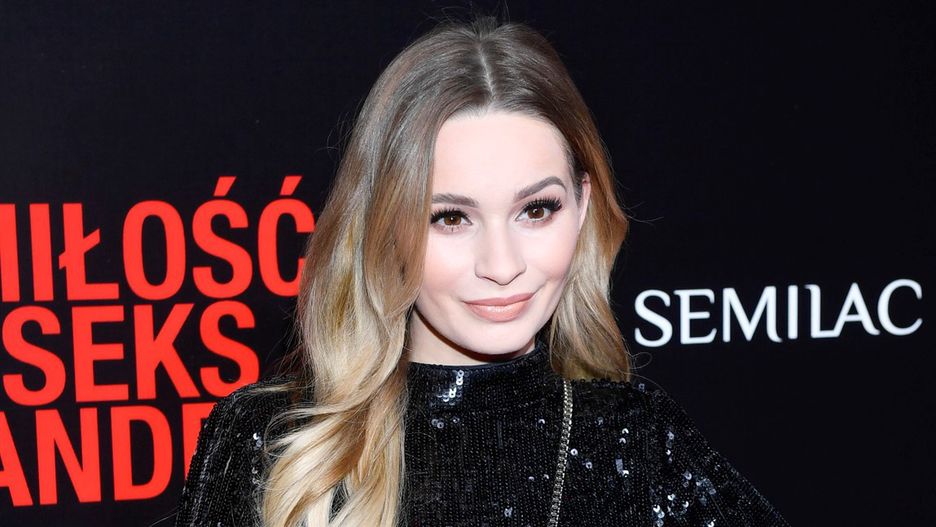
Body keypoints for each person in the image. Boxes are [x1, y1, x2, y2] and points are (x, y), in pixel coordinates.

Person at [173, 16, 789, 527]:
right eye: (450, 218)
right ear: (385, 228)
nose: (502, 266)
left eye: (536, 210)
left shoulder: (637, 444)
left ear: (581, 206)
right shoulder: (268, 445)